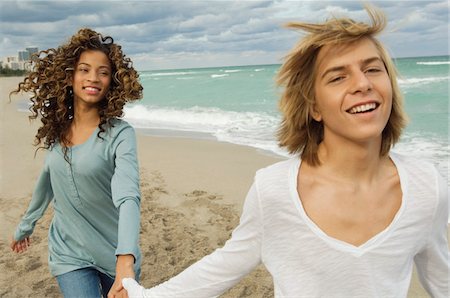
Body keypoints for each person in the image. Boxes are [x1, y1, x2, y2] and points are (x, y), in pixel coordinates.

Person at [121, 5, 449, 298]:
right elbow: (223, 265)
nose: (362, 83)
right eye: (338, 77)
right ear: (314, 107)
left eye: (373, 69)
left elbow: (442, 281)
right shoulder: (275, 191)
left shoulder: (426, 187)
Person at [10, 28, 143, 298]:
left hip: (113, 250)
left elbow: (129, 196)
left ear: (112, 82)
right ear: (70, 77)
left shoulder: (120, 134)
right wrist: (26, 225)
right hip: (68, 251)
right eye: (84, 69)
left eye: (103, 72)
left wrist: (126, 258)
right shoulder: (57, 132)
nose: (93, 78)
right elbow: (47, 181)